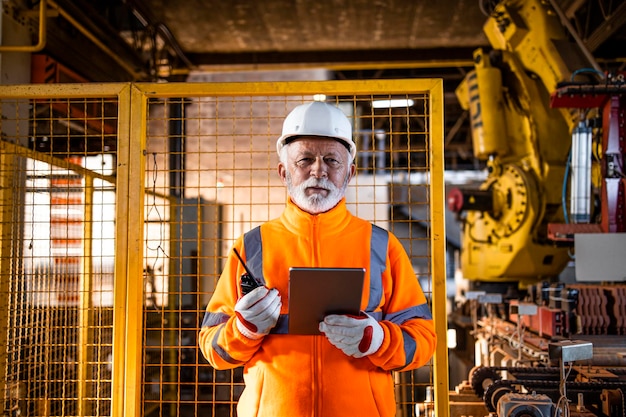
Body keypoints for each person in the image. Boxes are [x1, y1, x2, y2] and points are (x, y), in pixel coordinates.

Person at [199, 101, 437, 417]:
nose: (318, 171)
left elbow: (422, 340)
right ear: (284, 171)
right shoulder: (251, 246)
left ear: (349, 172)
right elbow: (212, 348)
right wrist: (243, 329)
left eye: (331, 161)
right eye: (305, 159)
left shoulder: (382, 246)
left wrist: (376, 339)